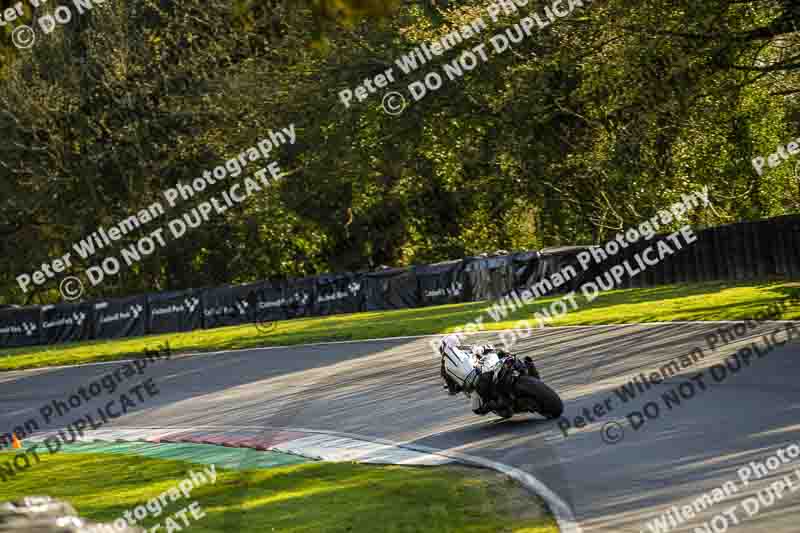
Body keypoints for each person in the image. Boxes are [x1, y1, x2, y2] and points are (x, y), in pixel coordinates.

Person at [438, 334, 540, 417]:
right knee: (505, 355)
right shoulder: (468, 349)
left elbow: (450, 390)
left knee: (477, 409)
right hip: (488, 370)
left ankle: (497, 403)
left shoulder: (446, 368)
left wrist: (457, 387)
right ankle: (526, 367)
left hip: (480, 382)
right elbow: (489, 348)